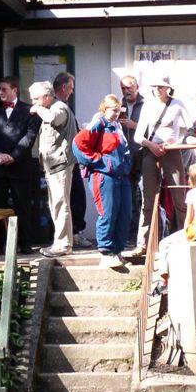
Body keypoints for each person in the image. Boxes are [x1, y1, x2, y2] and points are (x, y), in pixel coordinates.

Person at [124, 75, 192, 259]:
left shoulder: (177, 104)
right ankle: (143, 243)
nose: (158, 90)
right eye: (155, 86)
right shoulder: (148, 105)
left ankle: (186, 237)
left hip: (171, 152)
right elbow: (138, 136)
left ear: (168, 88)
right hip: (151, 151)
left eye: (161, 86)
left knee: (179, 197)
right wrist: (151, 145)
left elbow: (190, 128)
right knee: (148, 200)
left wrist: (176, 142)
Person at [72, 95, 132, 268]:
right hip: (104, 176)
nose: (116, 113)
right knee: (108, 213)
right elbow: (78, 144)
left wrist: (126, 166)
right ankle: (106, 252)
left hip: (121, 176)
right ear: (104, 109)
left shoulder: (117, 126)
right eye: (113, 109)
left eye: (118, 110)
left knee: (124, 214)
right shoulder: (98, 123)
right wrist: (99, 161)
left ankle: (117, 251)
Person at [0, 76, 40, 250]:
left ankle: (26, 244)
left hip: (20, 165)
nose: (0, 92)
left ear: (15, 90)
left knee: (22, 205)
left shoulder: (29, 110)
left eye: (4, 89)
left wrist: (13, 156)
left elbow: (29, 137)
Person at [29, 80, 78, 258]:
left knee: (60, 204)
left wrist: (38, 109)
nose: (33, 102)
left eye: (36, 99)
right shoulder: (51, 107)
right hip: (53, 166)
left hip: (60, 165)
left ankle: (63, 244)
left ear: (47, 96)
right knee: (56, 204)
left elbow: (53, 119)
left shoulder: (59, 108)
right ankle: (60, 242)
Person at [55, 72, 91, 249]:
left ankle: (74, 233)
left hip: (71, 158)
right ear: (64, 87)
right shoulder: (57, 108)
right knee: (70, 198)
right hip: (63, 160)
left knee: (77, 196)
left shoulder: (63, 106)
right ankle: (70, 235)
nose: (72, 91)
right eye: (71, 88)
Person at [118, 74, 144, 246]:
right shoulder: (119, 105)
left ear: (137, 87)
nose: (126, 91)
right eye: (123, 88)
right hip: (124, 157)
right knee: (127, 198)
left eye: (129, 87)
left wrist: (134, 125)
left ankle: (139, 236)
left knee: (141, 196)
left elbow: (153, 128)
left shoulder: (146, 105)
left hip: (141, 155)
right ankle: (128, 235)